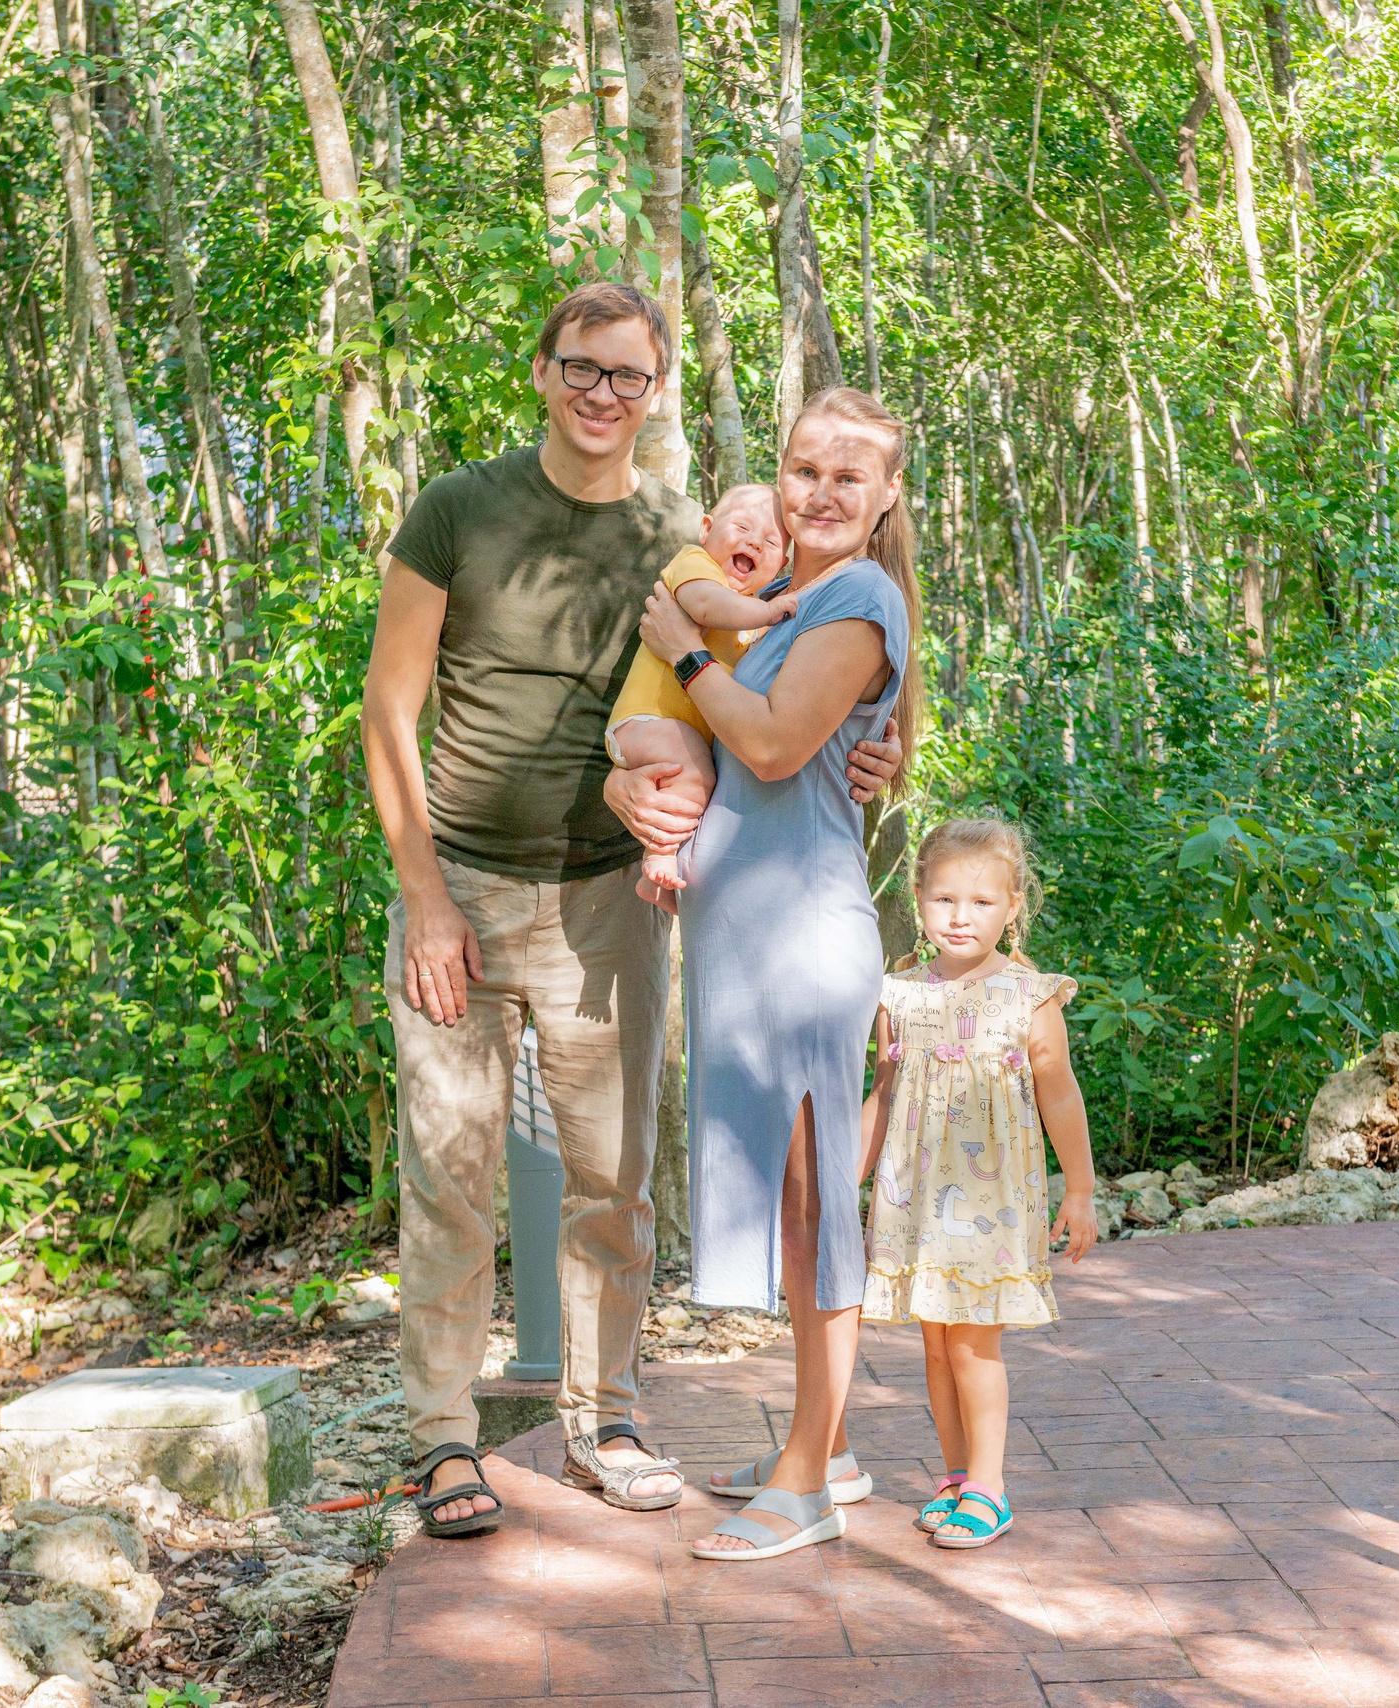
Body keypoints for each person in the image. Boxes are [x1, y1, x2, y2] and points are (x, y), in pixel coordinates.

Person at [360, 283, 900, 1537]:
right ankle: (444, 1437)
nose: (604, 393)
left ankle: (609, 1415)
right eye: (582, 369)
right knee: (448, 1177)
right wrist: (424, 894)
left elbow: (784, 683)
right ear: (541, 372)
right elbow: (390, 711)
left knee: (613, 1183)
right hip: (467, 893)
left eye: (629, 377)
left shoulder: (683, 529)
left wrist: (874, 757)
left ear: (654, 393)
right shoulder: (458, 510)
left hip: (614, 899)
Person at [614, 385, 918, 1562]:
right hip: (747, 944)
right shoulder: (789, 605)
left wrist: (682, 647)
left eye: (850, 475)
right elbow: (721, 749)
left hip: (800, 946)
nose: (823, 491)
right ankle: (825, 1443)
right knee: (796, 1207)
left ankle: (803, 1485)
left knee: (814, 1208)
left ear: (886, 496)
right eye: (804, 469)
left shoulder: (857, 591)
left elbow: (777, 741)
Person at [859, 817, 1097, 1549]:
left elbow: (1059, 1094)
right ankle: (957, 1477)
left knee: (973, 1348)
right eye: (945, 900)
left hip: (991, 1204)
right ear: (919, 898)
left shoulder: (1029, 996)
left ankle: (991, 1488)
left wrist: (1080, 1189)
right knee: (934, 1347)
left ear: (1013, 905)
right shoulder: (896, 995)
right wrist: (848, 1179)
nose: (961, 917)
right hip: (917, 1204)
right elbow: (886, 1090)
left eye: (982, 902)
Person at [601, 483, 795, 905]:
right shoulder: (696, 566)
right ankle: (660, 854)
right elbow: (706, 606)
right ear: (706, 529)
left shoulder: (751, 614)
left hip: (676, 734)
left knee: (700, 782)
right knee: (697, 774)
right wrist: (767, 611)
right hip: (645, 723)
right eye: (742, 526)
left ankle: (655, 878)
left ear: (782, 564)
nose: (752, 542)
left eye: (770, 542)